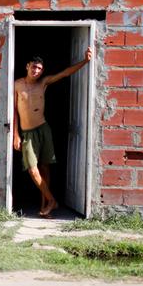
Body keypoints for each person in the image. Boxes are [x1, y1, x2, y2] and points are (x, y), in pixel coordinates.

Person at [13, 48, 93, 218]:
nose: (36, 71)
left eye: (40, 69)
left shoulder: (43, 83)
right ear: (27, 66)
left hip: (43, 128)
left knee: (45, 168)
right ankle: (52, 201)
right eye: (34, 67)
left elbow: (65, 73)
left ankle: (44, 207)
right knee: (32, 170)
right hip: (27, 132)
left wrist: (85, 61)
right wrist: (16, 135)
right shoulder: (17, 84)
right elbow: (13, 110)